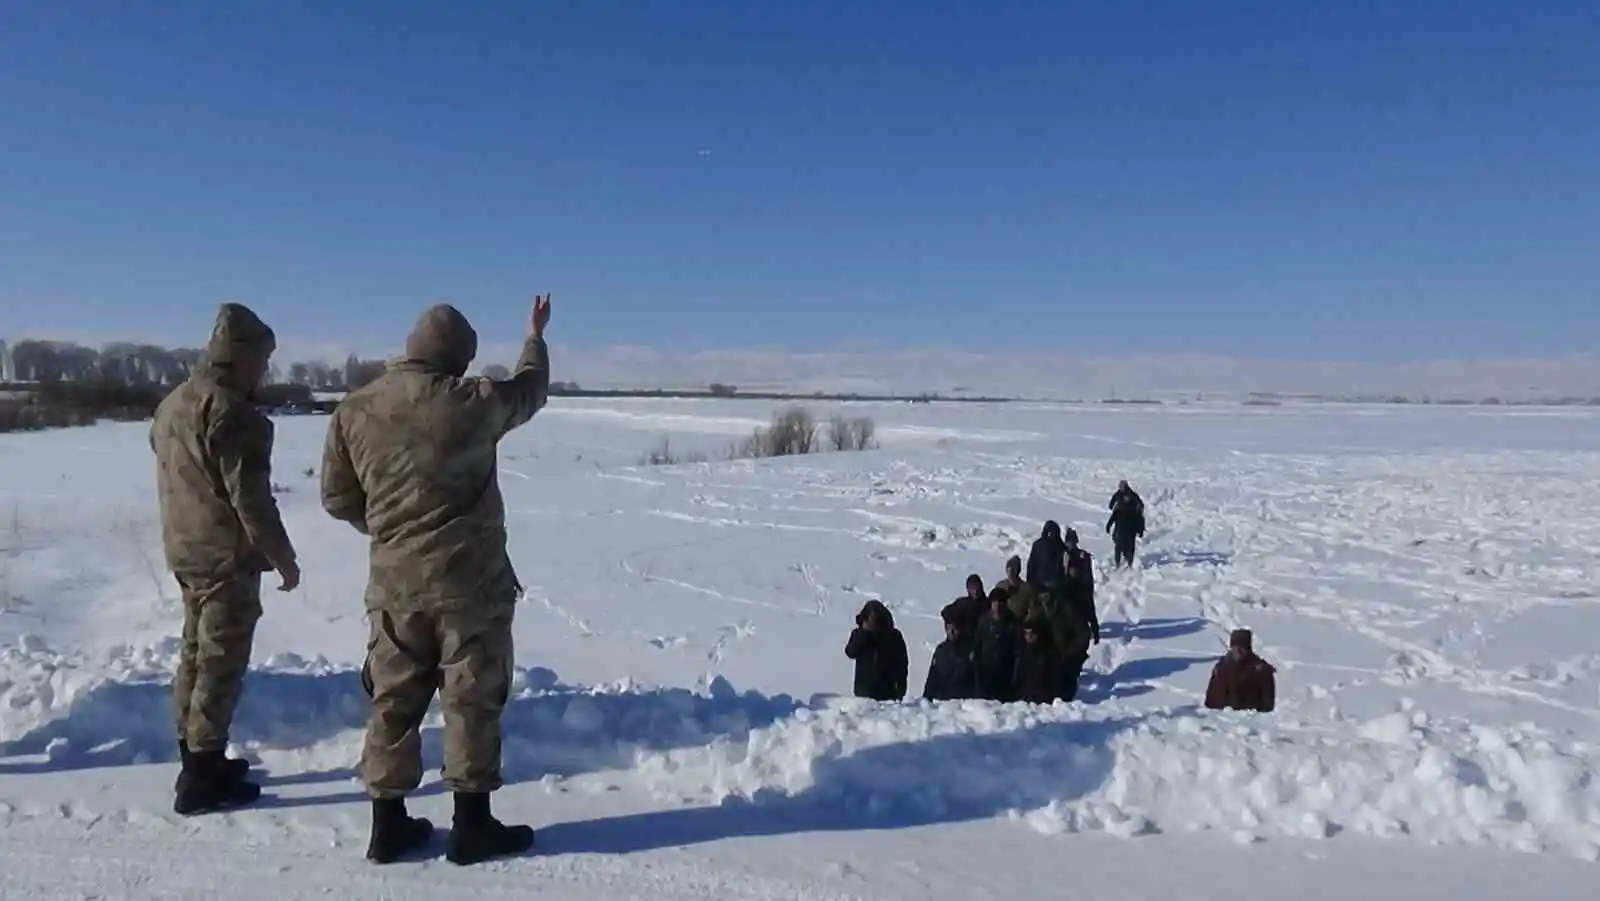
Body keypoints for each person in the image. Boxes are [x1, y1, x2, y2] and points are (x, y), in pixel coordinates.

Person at [321, 295, 552, 865]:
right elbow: (530, 391)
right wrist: (535, 337)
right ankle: (472, 826)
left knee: (393, 701)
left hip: (395, 586)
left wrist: (391, 531)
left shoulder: (354, 409)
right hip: (468, 586)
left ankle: (388, 825)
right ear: (457, 359)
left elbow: (336, 498)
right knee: (471, 697)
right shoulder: (473, 401)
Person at [151, 302, 300, 816]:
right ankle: (201, 776)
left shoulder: (173, 403)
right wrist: (283, 558)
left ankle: (196, 754)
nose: (265, 370)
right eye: (262, 359)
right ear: (241, 357)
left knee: (195, 652)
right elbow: (251, 499)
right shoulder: (233, 414)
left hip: (186, 549)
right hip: (225, 559)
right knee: (220, 662)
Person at [845, 600, 909, 701]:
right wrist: (863, 634)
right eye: (869, 619)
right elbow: (850, 652)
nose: (872, 623)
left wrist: (900, 689)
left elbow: (902, 664)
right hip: (863, 693)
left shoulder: (893, 636)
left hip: (888, 693)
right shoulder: (859, 634)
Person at [1204, 629, 1277, 712]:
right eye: (1235, 647)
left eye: (1242, 648)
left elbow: (1267, 706)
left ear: (1248, 649)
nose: (1238, 651)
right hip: (1223, 720)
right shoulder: (1222, 668)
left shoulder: (1261, 670)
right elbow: (1211, 702)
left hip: (1251, 720)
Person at [923, 602, 978, 701]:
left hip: (964, 705)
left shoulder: (970, 650)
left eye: (954, 628)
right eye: (948, 629)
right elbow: (932, 679)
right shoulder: (941, 650)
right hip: (942, 704)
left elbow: (977, 682)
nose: (951, 632)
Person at [973, 587, 1019, 701]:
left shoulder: (1012, 622)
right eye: (994, 602)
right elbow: (977, 646)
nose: (997, 606)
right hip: (986, 673)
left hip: (1005, 675)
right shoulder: (984, 621)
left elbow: (1017, 650)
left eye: (1000, 602)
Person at [1013, 618, 1062, 704]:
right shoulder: (1020, 654)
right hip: (1023, 701)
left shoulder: (1047, 655)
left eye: (1032, 633)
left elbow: (1054, 681)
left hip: (1043, 702)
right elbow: (1017, 679)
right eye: (1026, 633)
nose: (1029, 636)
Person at [1106, 481, 1145, 568]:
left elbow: (1140, 515)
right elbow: (1114, 509)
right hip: (1122, 526)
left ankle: (1127, 563)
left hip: (1129, 527)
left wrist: (1141, 529)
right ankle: (1122, 562)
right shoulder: (1119, 495)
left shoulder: (1132, 498)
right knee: (1120, 545)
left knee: (1125, 546)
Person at [998, 555, 1041, 622]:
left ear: (1018, 570)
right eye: (1009, 567)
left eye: (1014, 568)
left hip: (1020, 624)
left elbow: (1033, 610)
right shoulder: (1000, 586)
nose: (1011, 571)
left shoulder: (1027, 588)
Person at [1026, 521, 1067, 588]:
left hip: (1057, 586)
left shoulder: (1062, 548)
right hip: (1038, 584)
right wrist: (1031, 582)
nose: (1051, 534)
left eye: (1053, 532)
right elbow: (1032, 564)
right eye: (1049, 531)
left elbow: (1064, 569)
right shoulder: (1038, 545)